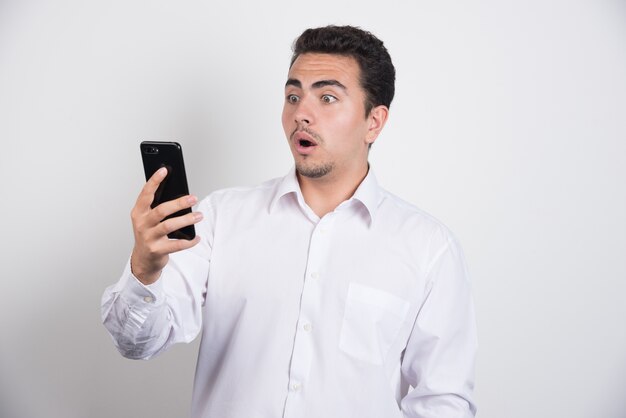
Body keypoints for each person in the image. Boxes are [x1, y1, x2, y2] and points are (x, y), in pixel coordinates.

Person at [102, 25, 477, 418]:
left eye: (327, 97)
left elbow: (443, 401)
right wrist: (145, 269)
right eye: (292, 96)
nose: (301, 114)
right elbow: (137, 343)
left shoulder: (429, 248)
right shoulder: (219, 218)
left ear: (374, 122)